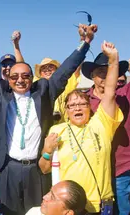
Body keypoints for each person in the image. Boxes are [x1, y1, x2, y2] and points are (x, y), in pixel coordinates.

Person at [0, 23, 96, 215]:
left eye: (25, 76)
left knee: (38, 211)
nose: (20, 80)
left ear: (32, 78)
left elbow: (65, 70)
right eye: (14, 76)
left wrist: (85, 43)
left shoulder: (43, 92)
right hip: (9, 168)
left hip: (37, 168)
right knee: (9, 211)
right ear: (8, 79)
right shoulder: (0, 94)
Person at [39, 41, 123, 214]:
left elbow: (109, 91)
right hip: (68, 207)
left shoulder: (101, 122)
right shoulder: (57, 130)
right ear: (66, 110)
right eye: (72, 105)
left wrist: (113, 60)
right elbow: (44, 168)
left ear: (90, 108)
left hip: (100, 203)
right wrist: (47, 150)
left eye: (82, 104)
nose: (77, 108)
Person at [81, 51, 129, 214]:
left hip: (123, 166)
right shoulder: (82, 100)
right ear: (92, 76)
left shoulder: (125, 93)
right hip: (94, 170)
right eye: (101, 73)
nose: (106, 77)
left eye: (109, 72)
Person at [34, 58, 81, 123]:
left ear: (57, 71)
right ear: (40, 73)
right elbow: (21, 65)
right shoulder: (35, 85)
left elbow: (76, 70)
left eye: (50, 67)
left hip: (64, 126)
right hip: (42, 126)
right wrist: (17, 49)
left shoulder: (66, 83)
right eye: (43, 68)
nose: (47, 70)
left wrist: (82, 52)